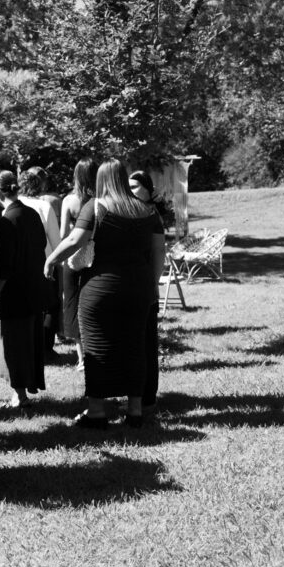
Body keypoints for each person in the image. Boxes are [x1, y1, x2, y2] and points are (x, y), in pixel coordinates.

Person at [45, 158, 166, 428]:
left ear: (101, 180)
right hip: (139, 288)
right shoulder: (147, 211)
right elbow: (159, 251)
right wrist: (151, 283)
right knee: (135, 348)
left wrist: (51, 259)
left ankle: (97, 412)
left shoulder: (96, 206)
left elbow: (76, 240)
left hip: (101, 288)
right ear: (123, 178)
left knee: (97, 347)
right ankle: (135, 411)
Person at [0, 170, 47, 408]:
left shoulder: (5, 221)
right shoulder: (32, 214)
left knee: (15, 343)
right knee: (20, 342)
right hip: (35, 284)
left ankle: (18, 394)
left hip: (15, 289)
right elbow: (42, 245)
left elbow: (4, 265)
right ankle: (0, 387)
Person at [129, 170, 165, 413]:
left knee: (147, 343)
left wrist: (153, 282)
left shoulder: (152, 215)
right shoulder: (129, 213)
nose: (130, 192)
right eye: (127, 187)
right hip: (130, 286)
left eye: (134, 187)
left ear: (147, 189)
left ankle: (147, 396)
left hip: (145, 286)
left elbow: (159, 253)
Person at [60, 159, 98, 371]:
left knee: (73, 304)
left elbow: (64, 234)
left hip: (74, 259)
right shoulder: (102, 199)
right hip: (96, 256)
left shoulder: (70, 201)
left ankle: (82, 357)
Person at [19, 168, 62, 356]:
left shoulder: (11, 207)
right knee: (51, 305)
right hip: (45, 263)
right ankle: (45, 347)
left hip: (19, 265)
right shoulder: (45, 207)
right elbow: (55, 240)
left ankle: (27, 345)